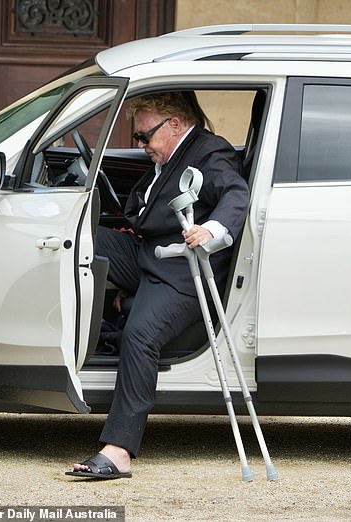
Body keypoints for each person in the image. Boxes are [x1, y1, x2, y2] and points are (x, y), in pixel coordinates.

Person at [66, 92, 250, 480]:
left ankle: (118, 451)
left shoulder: (210, 151)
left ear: (176, 125)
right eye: (138, 138)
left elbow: (235, 193)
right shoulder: (167, 155)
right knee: (81, 237)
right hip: (149, 254)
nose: (140, 145)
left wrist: (212, 229)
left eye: (144, 136)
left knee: (139, 336)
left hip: (183, 271)